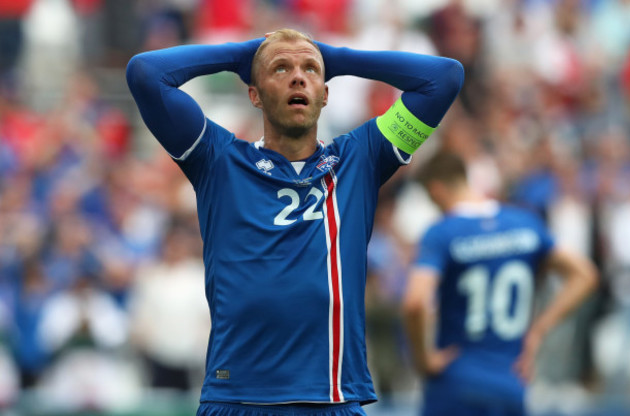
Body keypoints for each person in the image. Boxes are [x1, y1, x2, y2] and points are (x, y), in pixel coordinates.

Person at [126, 28, 463, 415]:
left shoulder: (360, 158)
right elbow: (145, 73)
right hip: (237, 399)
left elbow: (445, 77)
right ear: (254, 93)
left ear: (325, 93)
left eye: (310, 70)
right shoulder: (218, 160)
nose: (298, 76)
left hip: (332, 399)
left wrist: (336, 58)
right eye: (280, 68)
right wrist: (243, 54)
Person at [402, 151, 598, 416]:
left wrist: (423, 359)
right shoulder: (525, 223)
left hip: (457, 381)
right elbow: (584, 274)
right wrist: (538, 330)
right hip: (511, 382)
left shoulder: (442, 232)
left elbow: (415, 302)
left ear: (436, 190)